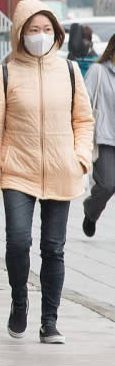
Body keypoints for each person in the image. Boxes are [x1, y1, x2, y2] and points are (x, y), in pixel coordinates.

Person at [0, 0, 94, 344]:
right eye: (33, 30)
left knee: (53, 247)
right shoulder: (5, 73)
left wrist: (80, 158)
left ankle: (50, 321)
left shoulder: (71, 72)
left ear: (57, 33)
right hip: (17, 170)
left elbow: (84, 121)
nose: (40, 36)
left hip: (62, 171)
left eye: (47, 30)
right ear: (20, 33)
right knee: (18, 241)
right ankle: (19, 299)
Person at [83, 33, 115, 238]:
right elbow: (84, 102)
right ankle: (91, 211)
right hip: (106, 138)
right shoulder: (98, 71)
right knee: (107, 185)